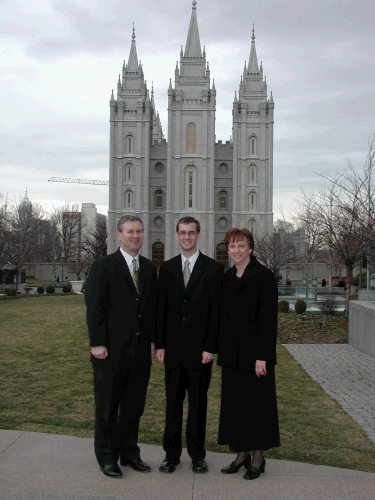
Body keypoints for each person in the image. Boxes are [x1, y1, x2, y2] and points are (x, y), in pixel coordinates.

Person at [85, 215, 157, 478]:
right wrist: (97, 343)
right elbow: (94, 307)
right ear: (118, 235)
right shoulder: (103, 266)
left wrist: (152, 340)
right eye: (130, 232)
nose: (135, 236)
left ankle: (129, 453)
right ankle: (107, 458)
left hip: (139, 352)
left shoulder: (149, 269)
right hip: (110, 351)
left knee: (133, 406)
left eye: (139, 231)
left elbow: (150, 310)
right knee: (107, 408)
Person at [155, 216, 223, 474]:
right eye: (182, 232)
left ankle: (197, 455)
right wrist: (160, 345)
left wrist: (209, 347)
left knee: (197, 405)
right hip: (172, 351)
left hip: (199, 353)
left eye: (191, 233)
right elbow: (161, 310)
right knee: (172, 404)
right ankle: (171, 455)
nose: (186, 237)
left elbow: (215, 313)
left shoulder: (213, 269)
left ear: (198, 236)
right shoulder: (168, 268)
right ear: (176, 235)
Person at [217, 228, 280, 480]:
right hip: (232, 354)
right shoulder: (226, 278)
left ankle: (258, 457)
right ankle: (240, 454)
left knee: (257, 407)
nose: (236, 251)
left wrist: (262, 355)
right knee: (235, 406)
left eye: (241, 246)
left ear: (250, 248)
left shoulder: (264, 277)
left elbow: (268, 321)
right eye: (232, 246)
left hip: (256, 356)